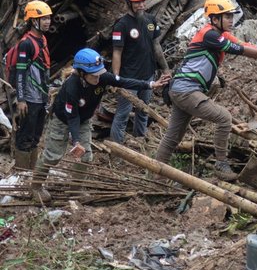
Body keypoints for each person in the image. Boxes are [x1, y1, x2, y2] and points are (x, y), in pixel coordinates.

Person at [155, 0, 257, 181]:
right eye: (227, 16)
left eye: (231, 16)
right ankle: (221, 165)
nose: (231, 20)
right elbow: (240, 51)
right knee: (224, 118)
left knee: (173, 136)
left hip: (181, 89)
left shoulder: (220, 34)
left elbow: (244, 44)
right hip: (186, 90)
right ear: (214, 18)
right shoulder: (210, 35)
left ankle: (156, 176)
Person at [31, 48, 170, 203]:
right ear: (82, 72)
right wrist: (76, 141)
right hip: (63, 120)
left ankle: (75, 190)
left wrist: (150, 84)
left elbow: (123, 81)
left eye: (99, 73)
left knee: (86, 157)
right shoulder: (72, 87)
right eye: (94, 75)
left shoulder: (101, 77)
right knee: (53, 156)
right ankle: (36, 186)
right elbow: (72, 117)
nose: (98, 78)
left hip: (84, 120)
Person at [110, 0, 170, 144]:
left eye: (143, 1)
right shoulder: (121, 25)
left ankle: (140, 141)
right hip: (128, 78)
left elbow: (156, 46)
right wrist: (115, 79)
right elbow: (117, 52)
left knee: (143, 110)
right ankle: (117, 147)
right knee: (123, 113)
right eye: (137, 2)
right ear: (128, 2)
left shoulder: (151, 21)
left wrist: (165, 69)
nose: (141, 5)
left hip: (148, 76)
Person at [13, 0, 52, 170]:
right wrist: (21, 99)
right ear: (33, 21)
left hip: (41, 97)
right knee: (25, 137)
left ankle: (32, 172)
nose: (47, 21)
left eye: (48, 18)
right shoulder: (26, 43)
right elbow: (20, 73)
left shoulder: (42, 39)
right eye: (42, 18)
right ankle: (22, 173)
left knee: (36, 136)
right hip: (29, 99)